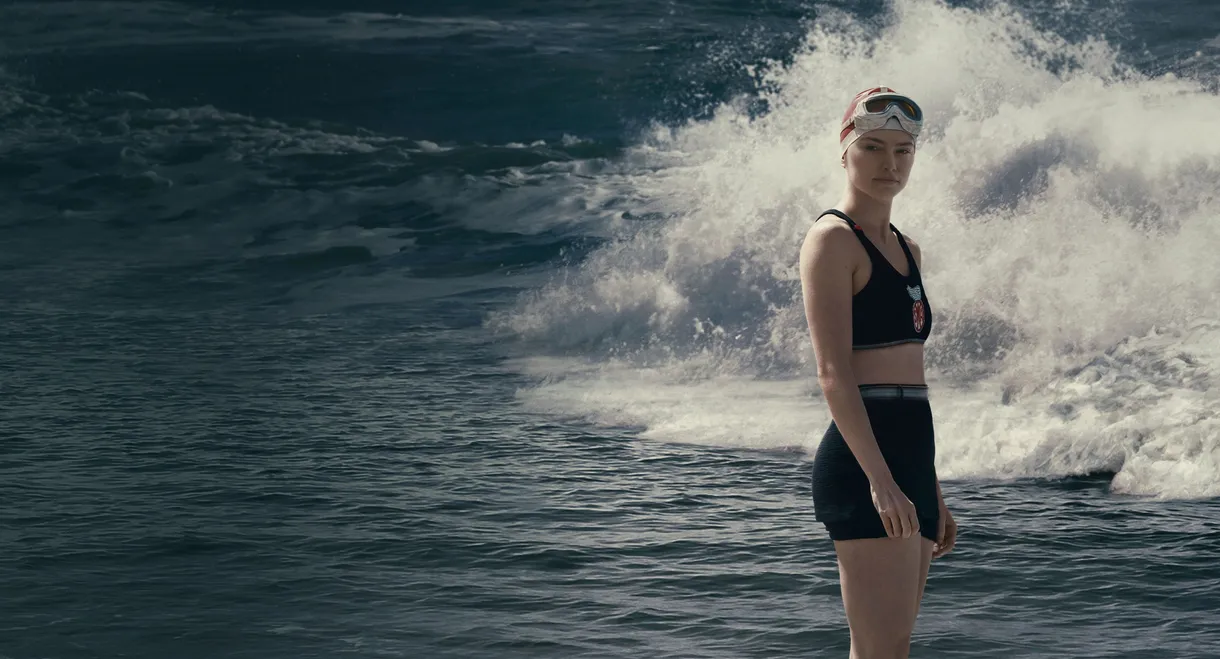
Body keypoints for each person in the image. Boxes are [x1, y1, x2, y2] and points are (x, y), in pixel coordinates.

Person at [798, 87, 958, 659]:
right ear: (845, 151)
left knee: (891, 649)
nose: (889, 164)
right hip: (866, 460)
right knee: (880, 651)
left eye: (902, 151)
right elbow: (834, 375)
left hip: (912, 449)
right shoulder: (833, 240)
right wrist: (883, 482)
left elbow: (913, 377)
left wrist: (928, 485)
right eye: (872, 147)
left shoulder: (908, 247)